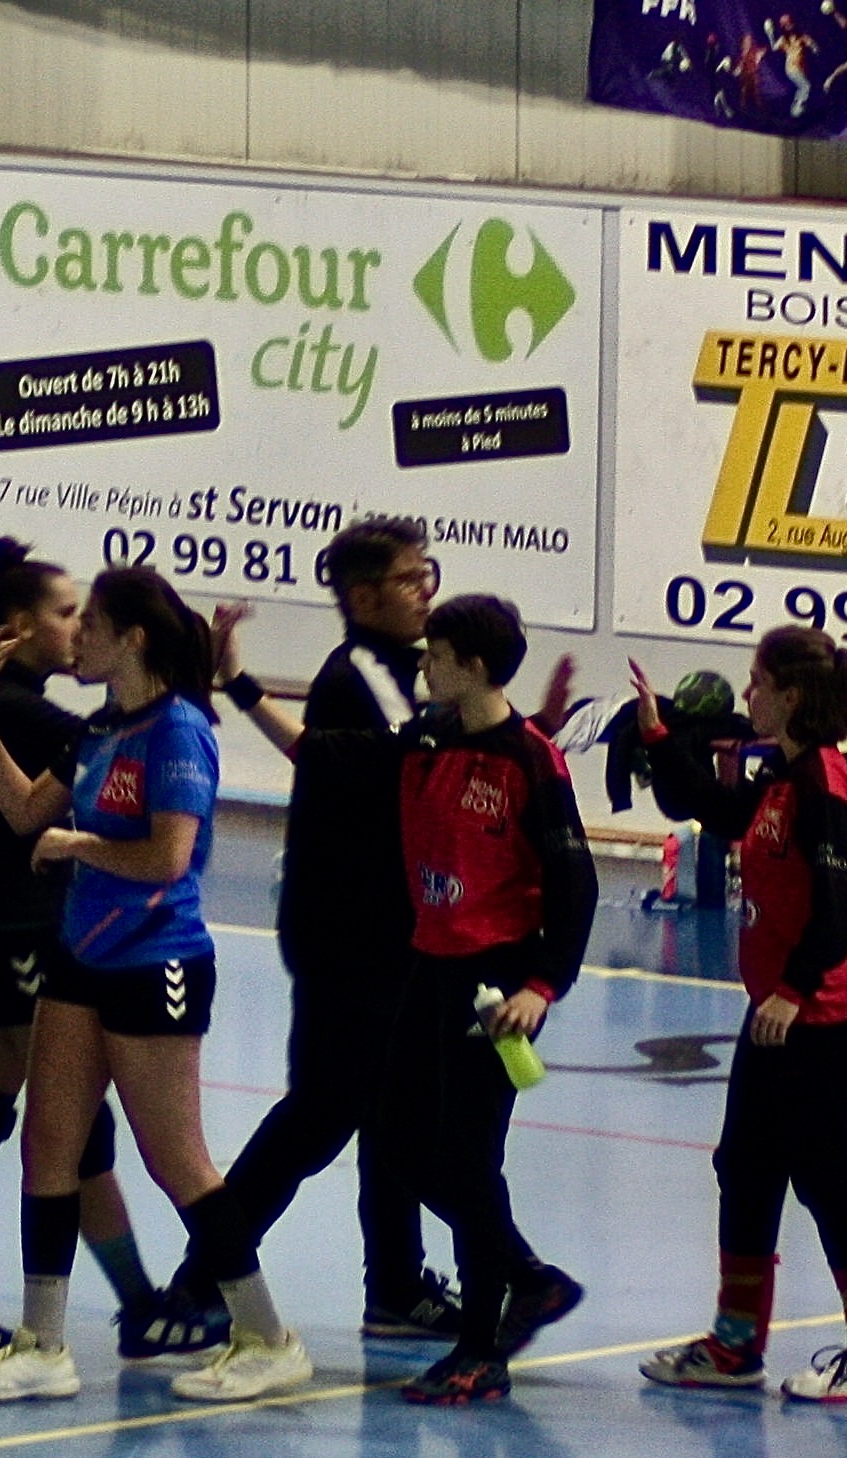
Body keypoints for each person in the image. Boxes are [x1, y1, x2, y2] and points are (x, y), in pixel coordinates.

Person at [220, 592, 593, 1408]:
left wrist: (541, 987)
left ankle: (481, 1349)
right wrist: (239, 683)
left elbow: (576, 882)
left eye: (439, 653)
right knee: (396, 1141)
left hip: (494, 983)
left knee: (469, 1158)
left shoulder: (530, 760)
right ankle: (527, 1276)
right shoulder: (424, 736)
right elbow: (318, 751)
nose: (424, 661)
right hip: (427, 966)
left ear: (475, 666)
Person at [0, 565, 241, 1401]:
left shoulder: (177, 731)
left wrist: (79, 848)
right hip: (80, 958)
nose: (76, 636)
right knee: (48, 1144)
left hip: (157, 959)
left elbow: (168, 860)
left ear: (132, 639)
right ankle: (43, 1344)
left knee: (175, 1159)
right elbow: (24, 810)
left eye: (91, 622)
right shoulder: (101, 728)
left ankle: (264, 1332)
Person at [203, 514, 464, 1347]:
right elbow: (400, 758)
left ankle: (395, 1289)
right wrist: (241, 687)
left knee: (388, 1113)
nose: (427, 590)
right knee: (323, 1113)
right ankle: (203, 1279)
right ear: (364, 596)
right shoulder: (361, 672)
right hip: (347, 931)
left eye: (429, 573)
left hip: (391, 928)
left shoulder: (408, 670)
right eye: (411, 578)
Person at [623, 626, 847, 1404]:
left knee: (829, 1177)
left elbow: (838, 908)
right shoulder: (780, 773)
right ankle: (735, 1342)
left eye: (757, 682)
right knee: (744, 1165)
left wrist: (793, 990)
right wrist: (657, 735)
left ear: (792, 696)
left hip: (820, 1013)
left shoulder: (824, 783)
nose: (747, 694)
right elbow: (714, 809)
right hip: (777, 1011)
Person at [0, 542, 138, 1363]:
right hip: (18, 930)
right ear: (18, 625)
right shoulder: (26, 713)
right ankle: (144, 1304)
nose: (77, 628)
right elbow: (109, 750)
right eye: (66, 612)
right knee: (76, 1130)